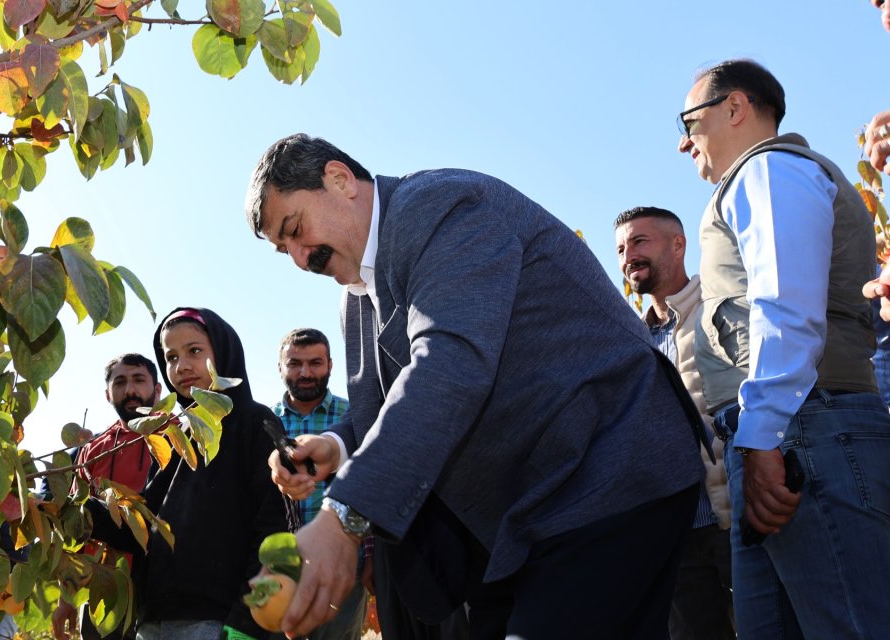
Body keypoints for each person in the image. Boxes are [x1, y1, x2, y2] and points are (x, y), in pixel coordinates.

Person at [243, 133, 706, 640]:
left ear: (339, 180)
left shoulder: (443, 207)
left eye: (295, 230)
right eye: (283, 249)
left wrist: (344, 518)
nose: (299, 258)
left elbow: (450, 362)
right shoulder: (354, 294)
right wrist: (335, 444)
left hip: (609, 473)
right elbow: (387, 406)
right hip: (519, 522)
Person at [677, 58, 890, 636]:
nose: (682, 142)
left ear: (735, 108)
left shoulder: (769, 171)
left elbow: (785, 305)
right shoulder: (760, 179)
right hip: (784, 436)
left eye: (689, 121)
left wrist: (764, 432)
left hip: (802, 433)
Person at [85, 308, 295, 640]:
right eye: (170, 357)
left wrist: (247, 622)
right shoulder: (177, 436)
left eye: (194, 351)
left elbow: (275, 527)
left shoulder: (256, 424)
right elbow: (146, 523)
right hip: (154, 621)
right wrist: (78, 512)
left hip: (218, 620)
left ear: (223, 353)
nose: (181, 366)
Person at [614, 206, 734, 640]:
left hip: (736, 520)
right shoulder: (632, 341)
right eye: (622, 249)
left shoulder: (721, 305)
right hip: (676, 538)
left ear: (678, 245)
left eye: (639, 242)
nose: (628, 256)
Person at [53, 354, 161, 640]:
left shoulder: (175, 436)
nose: (130, 390)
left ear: (157, 389)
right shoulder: (93, 450)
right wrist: (66, 601)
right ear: (107, 394)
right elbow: (77, 528)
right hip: (104, 594)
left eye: (139, 380)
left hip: (163, 592)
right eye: (120, 382)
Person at [272, 328, 366, 640]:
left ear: (330, 365)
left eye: (315, 363)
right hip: (276, 566)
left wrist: (373, 556)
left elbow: (370, 484)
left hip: (343, 562)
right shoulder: (265, 421)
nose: (306, 373)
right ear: (280, 367)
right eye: (295, 364)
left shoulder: (354, 415)